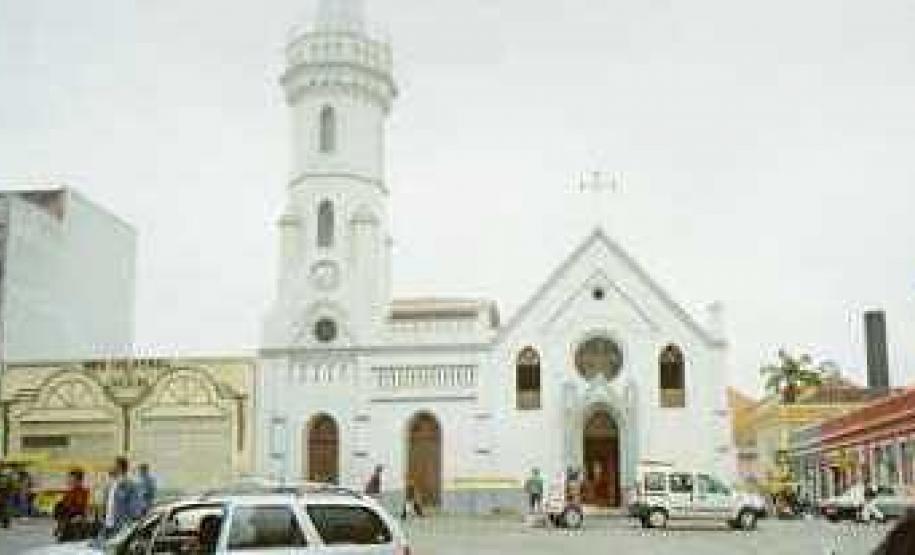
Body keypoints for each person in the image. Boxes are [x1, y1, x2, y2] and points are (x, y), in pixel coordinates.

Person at [99, 457, 141, 540]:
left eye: (113, 465)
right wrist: (103, 515)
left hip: (120, 526)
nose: (111, 467)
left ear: (119, 467)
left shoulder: (129, 485)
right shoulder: (110, 484)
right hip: (107, 524)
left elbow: (134, 507)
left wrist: (128, 524)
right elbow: (107, 503)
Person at [53, 468, 90, 541]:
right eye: (69, 479)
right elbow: (63, 505)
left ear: (78, 480)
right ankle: (62, 529)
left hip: (74, 516)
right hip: (67, 517)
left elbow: (79, 507)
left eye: (72, 479)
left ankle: (65, 530)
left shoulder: (82, 492)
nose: (69, 481)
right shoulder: (70, 492)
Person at [0, 464, 14, 529]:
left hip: (4, 494)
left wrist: (8, 493)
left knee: (4, 508)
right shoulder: (7, 476)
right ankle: (5, 522)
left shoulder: (6, 476)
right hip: (5, 494)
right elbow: (11, 485)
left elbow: (10, 485)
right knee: (4, 508)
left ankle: (6, 522)